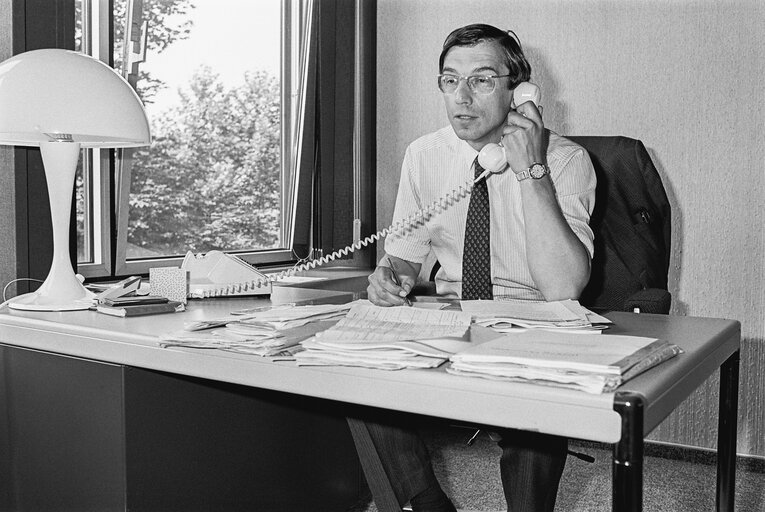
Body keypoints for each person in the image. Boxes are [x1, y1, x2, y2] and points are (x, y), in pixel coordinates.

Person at [365, 24, 597, 512]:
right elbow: (403, 254)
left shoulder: (567, 161)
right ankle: (426, 503)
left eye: (483, 80)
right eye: (450, 81)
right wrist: (392, 275)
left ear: (519, 91)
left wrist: (531, 168)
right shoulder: (424, 156)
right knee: (359, 367)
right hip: (452, 313)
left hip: (530, 320)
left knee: (539, 395)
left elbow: (562, 287)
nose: (461, 98)